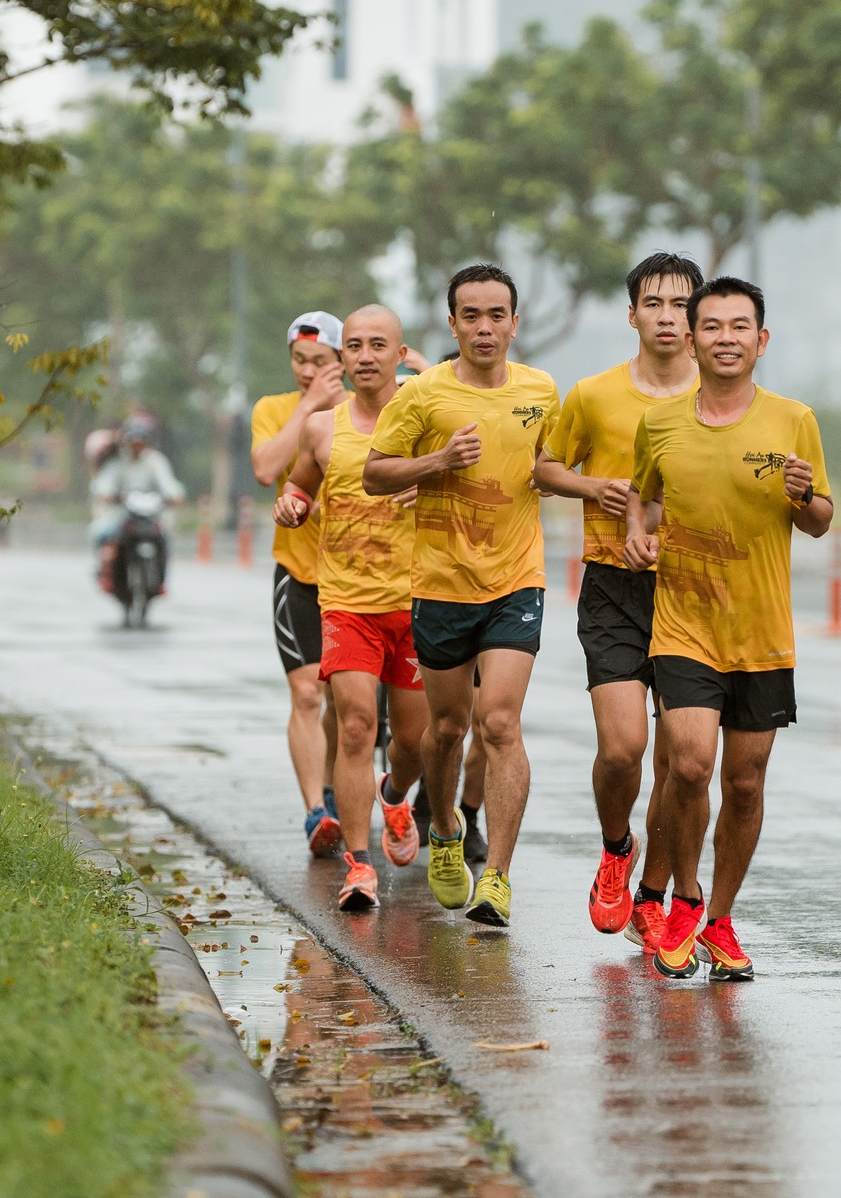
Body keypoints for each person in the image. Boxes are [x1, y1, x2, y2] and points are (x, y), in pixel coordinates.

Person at [626, 275, 833, 981]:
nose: (724, 337)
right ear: (691, 338)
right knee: (688, 762)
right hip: (682, 625)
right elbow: (642, 496)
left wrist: (805, 497)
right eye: (710, 325)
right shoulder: (659, 424)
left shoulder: (793, 419)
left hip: (762, 631)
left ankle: (718, 917)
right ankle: (682, 896)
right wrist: (636, 534)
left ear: (761, 339)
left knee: (744, 783)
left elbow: (820, 519)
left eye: (738, 326)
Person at [364, 265, 561, 928]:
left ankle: (498, 877)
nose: (484, 327)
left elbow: (556, 464)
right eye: (470, 316)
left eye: (496, 314)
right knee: (445, 730)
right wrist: (437, 462)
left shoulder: (541, 391)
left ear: (514, 320)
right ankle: (444, 826)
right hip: (442, 586)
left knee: (499, 723)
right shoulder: (422, 395)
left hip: (517, 580)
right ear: (452, 324)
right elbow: (374, 473)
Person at [535, 251, 702, 949]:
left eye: (680, 305)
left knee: (681, 760)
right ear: (630, 313)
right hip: (611, 584)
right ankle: (614, 847)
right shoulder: (595, 394)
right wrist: (591, 489)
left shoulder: (717, 399)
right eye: (654, 304)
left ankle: (653, 897)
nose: (668, 318)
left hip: (694, 590)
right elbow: (544, 467)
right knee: (624, 748)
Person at [274, 306, 429, 911]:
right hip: (347, 605)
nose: (365, 356)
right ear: (343, 359)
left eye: (378, 345)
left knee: (414, 741)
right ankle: (359, 866)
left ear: (399, 354)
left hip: (416, 604)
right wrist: (292, 506)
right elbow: (296, 487)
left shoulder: (425, 424)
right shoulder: (322, 428)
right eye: (355, 346)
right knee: (358, 724)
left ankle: (396, 793)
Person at [252, 311, 348, 858]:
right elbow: (267, 469)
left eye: (319, 361)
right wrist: (308, 407)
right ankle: (316, 809)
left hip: (358, 578)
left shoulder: (365, 412)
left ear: (341, 360)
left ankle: (340, 789)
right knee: (307, 691)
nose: (308, 371)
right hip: (299, 577)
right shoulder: (273, 409)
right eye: (299, 360)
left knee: (346, 701)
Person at [90, 415, 186, 585]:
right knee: (102, 534)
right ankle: (104, 572)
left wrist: (175, 495)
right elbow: (105, 484)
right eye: (133, 438)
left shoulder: (155, 461)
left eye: (141, 439)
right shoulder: (117, 462)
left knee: (164, 537)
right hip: (122, 513)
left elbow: (168, 483)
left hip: (149, 512)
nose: (137, 443)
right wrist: (107, 495)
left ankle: (161, 577)